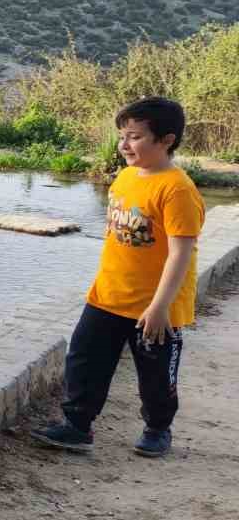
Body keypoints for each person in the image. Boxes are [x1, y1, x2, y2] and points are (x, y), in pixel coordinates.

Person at [31, 97, 204, 457]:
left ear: (166, 140)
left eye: (135, 137)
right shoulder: (125, 177)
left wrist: (160, 308)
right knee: (84, 360)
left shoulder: (177, 189)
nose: (124, 145)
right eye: (122, 136)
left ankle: (158, 428)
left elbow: (180, 253)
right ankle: (77, 426)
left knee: (155, 376)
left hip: (155, 306)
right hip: (108, 295)